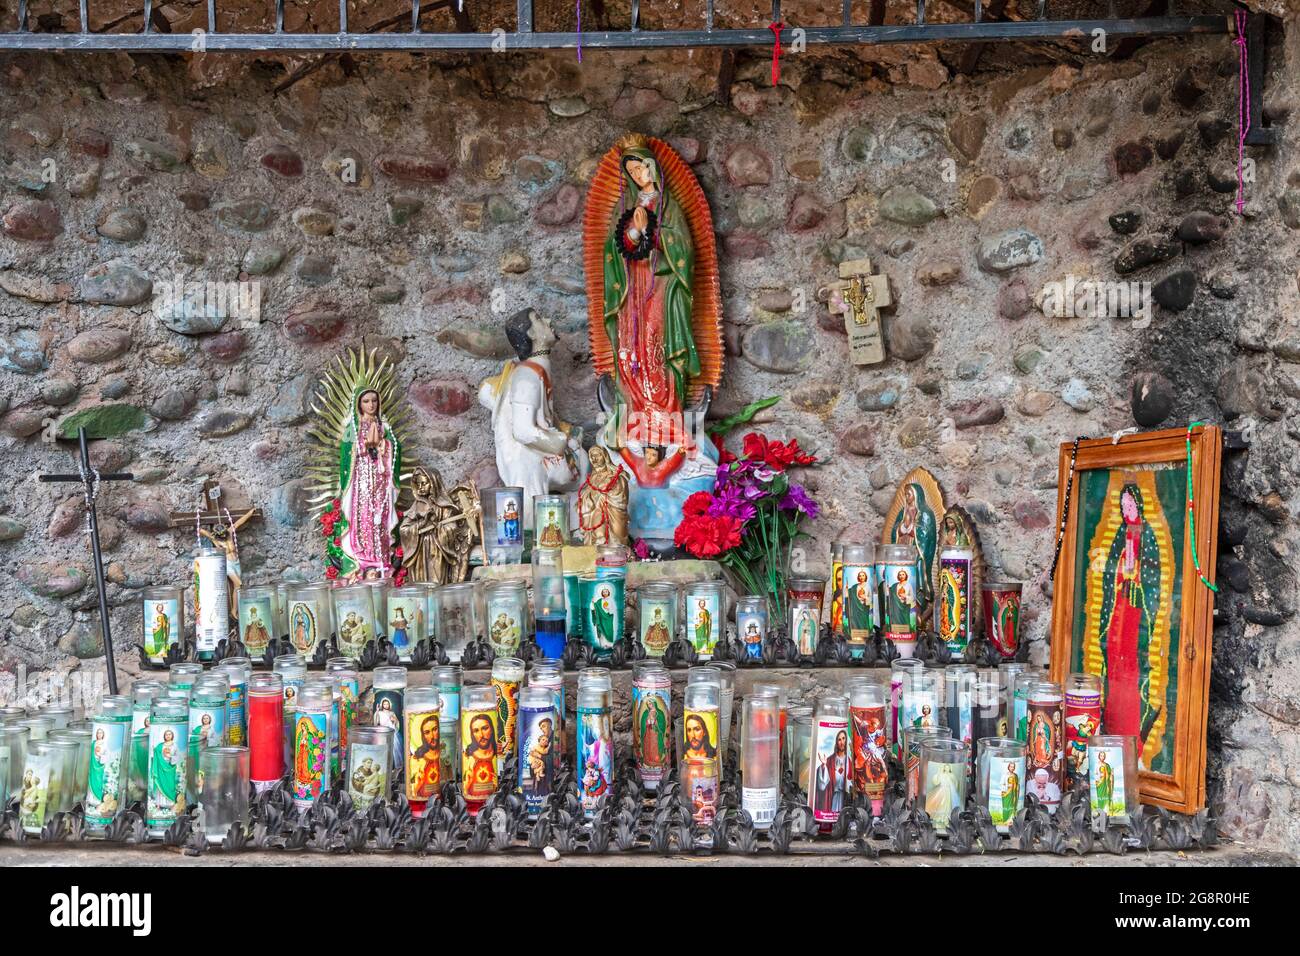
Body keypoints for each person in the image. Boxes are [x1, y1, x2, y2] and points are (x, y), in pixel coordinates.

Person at [335, 387, 401, 582]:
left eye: (374, 401)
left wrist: (384, 446)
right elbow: (346, 452)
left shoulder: (384, 427)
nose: (371, 405)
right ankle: (362, 558)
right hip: (361, 483)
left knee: (379, 518)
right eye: (366, 401)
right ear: (359, 404)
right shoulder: (353, 428)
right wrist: (362, 448)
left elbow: (396, 449)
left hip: (380, 481)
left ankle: (380, 558)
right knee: (363, 517)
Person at [463, 714, 499, 800]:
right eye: (476, 731)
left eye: (485, 728)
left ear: (492, 730)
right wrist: (467, 784)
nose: (481, 735)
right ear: (472, 734)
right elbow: (465, 788)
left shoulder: (496, 755)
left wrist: (495, 787)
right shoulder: (468, 757)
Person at [813, 729, 848, 817]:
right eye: (839, 739)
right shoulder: (830, 761)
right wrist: (824, 766)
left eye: (843, 738)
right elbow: (822, 785)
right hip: (833, 798)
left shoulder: (849, 761)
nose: (842, 742)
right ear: (836, 742)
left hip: (845, 799)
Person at [408, 714, 440, 799]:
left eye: (435, 729)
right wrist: (416, 786)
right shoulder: (416, 760)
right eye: (427, 732)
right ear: (423, 736)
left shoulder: (441, 755)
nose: (432, 736)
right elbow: (411, 788)